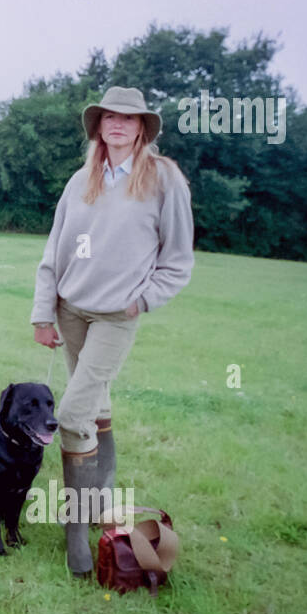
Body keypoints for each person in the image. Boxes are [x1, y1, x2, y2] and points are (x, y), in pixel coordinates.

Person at [30, 86, 194, 577]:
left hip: (115, 318)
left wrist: (141, 299)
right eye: (109, 117)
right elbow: (54, 247)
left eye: (129, 117)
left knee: (74, 413)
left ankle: (75, 532)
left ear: (142, 127)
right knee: (96, 406)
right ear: (99, 126)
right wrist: (44, 312)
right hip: (71, 311)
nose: (118, 124)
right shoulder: (82, 179)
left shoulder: (164, 181)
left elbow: (178, 260)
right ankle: (101, 507)